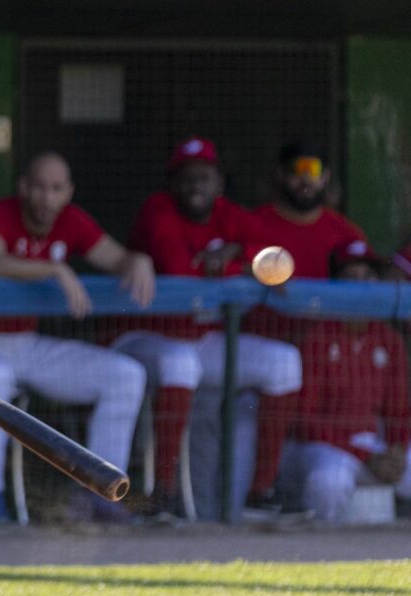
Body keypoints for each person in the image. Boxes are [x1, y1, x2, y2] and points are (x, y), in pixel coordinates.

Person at [0, 151, 152, 524]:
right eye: (39, 187)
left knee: (125, 375)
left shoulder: (72, 220)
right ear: (23, 187)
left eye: (56, 189)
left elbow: (117, 259)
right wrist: (54, 270)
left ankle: (101, 494)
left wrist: (139, 260)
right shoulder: (1, 213)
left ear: (68, 192)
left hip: (23, 342)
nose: (47, 198)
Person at [117, 137, 301, 519]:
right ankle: (163, 493)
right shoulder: (158, 209)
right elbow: (181, 271)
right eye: (186, 177)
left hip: (201, 339)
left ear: (219, 182)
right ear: (172, 183)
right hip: (143, 336)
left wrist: (237, 253)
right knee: (179, 362)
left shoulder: (228, 214)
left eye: (204, 176)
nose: (196, 185)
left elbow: (281, 261)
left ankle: (260, 493)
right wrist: (246, 268)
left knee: (284, 362)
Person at [243, 138, 369, 514]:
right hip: (255, 375)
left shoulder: (344, 233)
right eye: (297, 170)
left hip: (323, 376)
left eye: (312, 170)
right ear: (281, 175)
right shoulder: (255, 224)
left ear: (325, 176)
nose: (305, 179)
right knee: (237, 472)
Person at [277, 242, 411, 521]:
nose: (361, 286)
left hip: (372, 447)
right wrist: (364, 455)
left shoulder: (388, 338)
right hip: (323, 447)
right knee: (330, 482)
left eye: (368, 277)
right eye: (351, 278)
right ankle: (319, 544)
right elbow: (304, 422)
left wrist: (397, 450)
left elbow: (399, 411)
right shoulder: (316, 336)